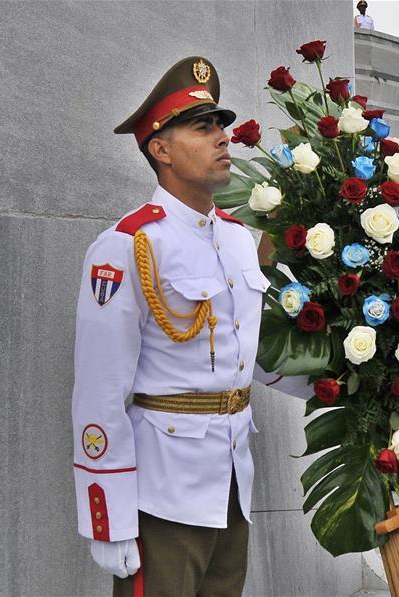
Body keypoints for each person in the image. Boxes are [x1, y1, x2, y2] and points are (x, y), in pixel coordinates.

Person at [71, 57, 269, 595]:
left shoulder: (234, 238)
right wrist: (106, 514)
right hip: (162, 488)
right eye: (202, 128)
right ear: (160, 149)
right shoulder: (128, 245)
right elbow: (99, 389)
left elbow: (251, 352)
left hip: (231, 477)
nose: (222, 138)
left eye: (221, 125)